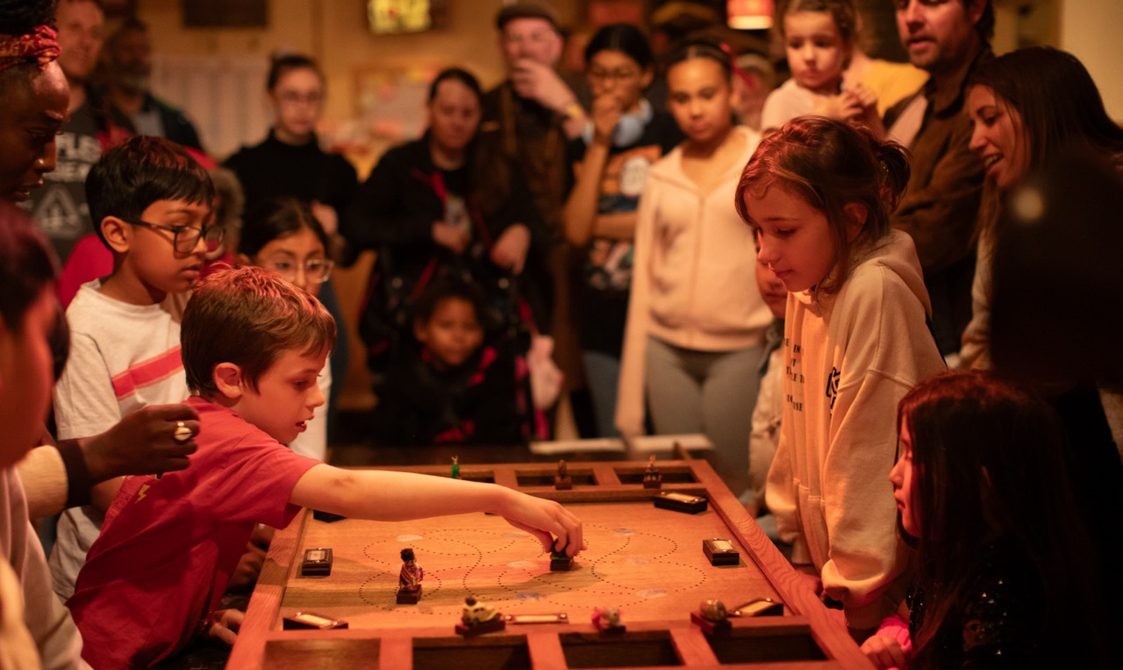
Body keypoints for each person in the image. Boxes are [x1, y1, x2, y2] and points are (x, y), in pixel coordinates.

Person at [66, 266, 584, 668]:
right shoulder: (228, 442)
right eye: (299, 382)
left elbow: (166, 549)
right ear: (230, 378)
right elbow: (347, 487)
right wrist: (499, 498)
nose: (316, 398)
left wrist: (195, 616)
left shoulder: (209, 425)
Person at [738, 117, 945, 638]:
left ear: (851, 220)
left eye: (784, 231)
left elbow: (871, 460)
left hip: (889, 595)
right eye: (758, 232)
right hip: (833, 572)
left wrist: (858, 592)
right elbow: (797, 419)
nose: (765, 253)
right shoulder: (809, 285)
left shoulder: (875, 293)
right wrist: (803, 552)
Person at [50, 135, 218, 601]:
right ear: (118, 234)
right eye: (181, 228)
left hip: (178, 549)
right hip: (107, 579)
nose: (201, 246)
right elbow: (105, 485)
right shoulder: (85, 331)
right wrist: (207, 519)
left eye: (205, 228)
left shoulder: (183, 299)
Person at [860, 371, 1109, 669]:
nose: (894, 474)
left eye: (912, 454)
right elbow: (908, 615)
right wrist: (893, 639)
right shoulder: (954, 557)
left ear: (982, 479)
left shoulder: (1005, 591)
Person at [616, 41, 770, 500]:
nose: (695, 109)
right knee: (676, 488)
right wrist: (628, 404)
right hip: (666, 354)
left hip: (740, 349)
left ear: (734, 94)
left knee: (737, 488)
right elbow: (642, 278)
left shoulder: (763, 161)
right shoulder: (662, 174)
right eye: (682, 99)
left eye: (707, 94)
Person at [344, 67, 546, 387]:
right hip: (408, 323)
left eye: (467, 113)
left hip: (482, 322)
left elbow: (534, 218)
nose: (457, 121)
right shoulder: (401, 164)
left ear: (480, 116)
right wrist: (427, 230)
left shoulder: (495, 167)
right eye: (447, 111)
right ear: (430, 111)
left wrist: (522, 230)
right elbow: (357, 225)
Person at [959, 47, 1123, 370]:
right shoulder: (1003, 213)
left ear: (1041, 112)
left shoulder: (1111, 196)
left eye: (990, 119)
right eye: (973, 124)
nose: (974, 141)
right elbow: (981, 339)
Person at [562, 23, 682, 437]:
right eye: (599, 73)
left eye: (622, 73)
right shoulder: (578, 143)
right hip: (600, 310)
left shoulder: (668, 131)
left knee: (665, 432)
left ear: (646, 76)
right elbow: (575, 231)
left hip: (661, 304)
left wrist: (602, 223)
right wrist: (600, 142)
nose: (608, 85)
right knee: (616, 434)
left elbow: (667, 219)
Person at [479, 0, 587, 408]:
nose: (526, 49)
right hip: (515, 266)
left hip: (579, 260)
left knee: (581, 384)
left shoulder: (581, 94)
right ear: (502, 47)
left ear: (557, 46)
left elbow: (604, 161)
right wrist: (515, 224)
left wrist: (566, 107)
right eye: (515, 39)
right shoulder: (489, 105)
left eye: (537, 38)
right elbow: (479, 182)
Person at [883, 0, 993, 358]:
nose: (911, 18)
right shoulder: (911, 103)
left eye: (931, 1)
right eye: (901, 5)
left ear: (975, 9)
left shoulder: (991, 104)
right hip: (904, 322)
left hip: (955, 344)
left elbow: (937, 228)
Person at [371, 276, 535, 445]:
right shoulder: (404, 375)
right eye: (446, 325)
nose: (458, 336)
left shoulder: (493, 374)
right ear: (421, 329)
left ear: (481, 333)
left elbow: (505, 440)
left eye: (469, 327)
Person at [237, 197, 334, 460]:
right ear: (245, 265)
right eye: (283, 265)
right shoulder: (222, 340)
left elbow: (309, 457)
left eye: (314, 266)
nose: (301, 281)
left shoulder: (315, 344)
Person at [24, 0, 109, 262]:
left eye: (95, 33)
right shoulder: (15, 112)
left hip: (88, 277)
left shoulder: (113, 127)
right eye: (75, 28)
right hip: (17, 272)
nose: (86, 42)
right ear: (49, 32)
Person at [760, 0, 878, 134]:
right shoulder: (782, 100)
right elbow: (769, 153)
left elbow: (881, 151)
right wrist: (817, 121)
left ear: (847, 45)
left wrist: (871, 119)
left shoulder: (848, 95)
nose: (809, 56)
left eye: (822, 43)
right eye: (796, 45)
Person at [100, 16, 203, 151]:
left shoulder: (174, 121)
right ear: (109, 55)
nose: (137, 57)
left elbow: (200, 162)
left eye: (143, 49)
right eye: (128, 49)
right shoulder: (93, 111)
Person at [746, 239, 787, 518]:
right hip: (766, 510)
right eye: (763, 263)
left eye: (779, 263)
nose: (772, 279)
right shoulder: (776, 336)